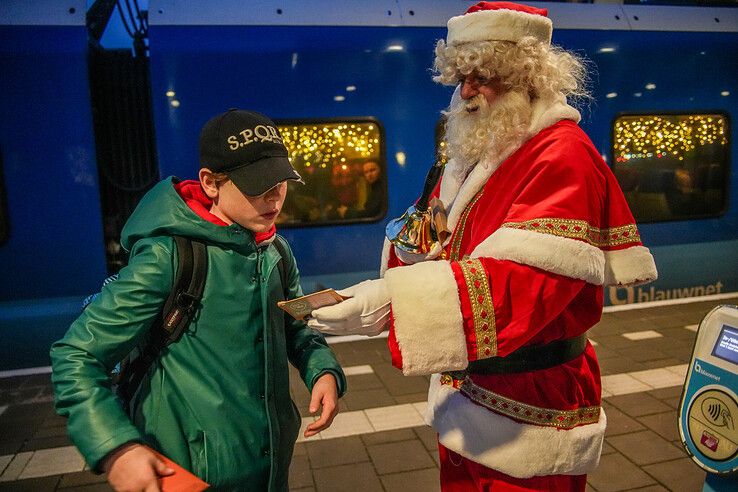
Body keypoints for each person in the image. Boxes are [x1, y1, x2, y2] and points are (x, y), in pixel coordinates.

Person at [309, 3, 657, 491]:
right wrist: (388, 278)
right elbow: (430, 231)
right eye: (461, 77)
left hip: (533, 408)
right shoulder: (478, 151)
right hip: (470, 391)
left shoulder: (563, 156)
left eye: (483, 76)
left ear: (529, 78)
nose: (467, 92)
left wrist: (394, 303)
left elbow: (524, 287)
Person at [51, 109, 346, 491]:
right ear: (210, 183)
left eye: (281, 182)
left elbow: (294, 321)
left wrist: (321, 368)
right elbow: (76, 355)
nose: (274, 198)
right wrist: (116, 448)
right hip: (190, 470)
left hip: (270, 463)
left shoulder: (276, 251)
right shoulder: (168, 257)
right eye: (258, 185)